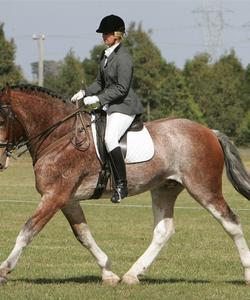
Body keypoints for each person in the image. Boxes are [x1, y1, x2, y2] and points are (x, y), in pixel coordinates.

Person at [71, 14, 144, 203]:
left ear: (118, 34)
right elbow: (99, 82)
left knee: (110, 138)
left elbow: (122, 88)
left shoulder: (124, 57)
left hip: (124, 106)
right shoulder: (106, 55)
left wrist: (98, 98)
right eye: (103, 33)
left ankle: (122, 184)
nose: (104, 36)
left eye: (107, 33)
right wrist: (84, 92)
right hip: (110, 105)